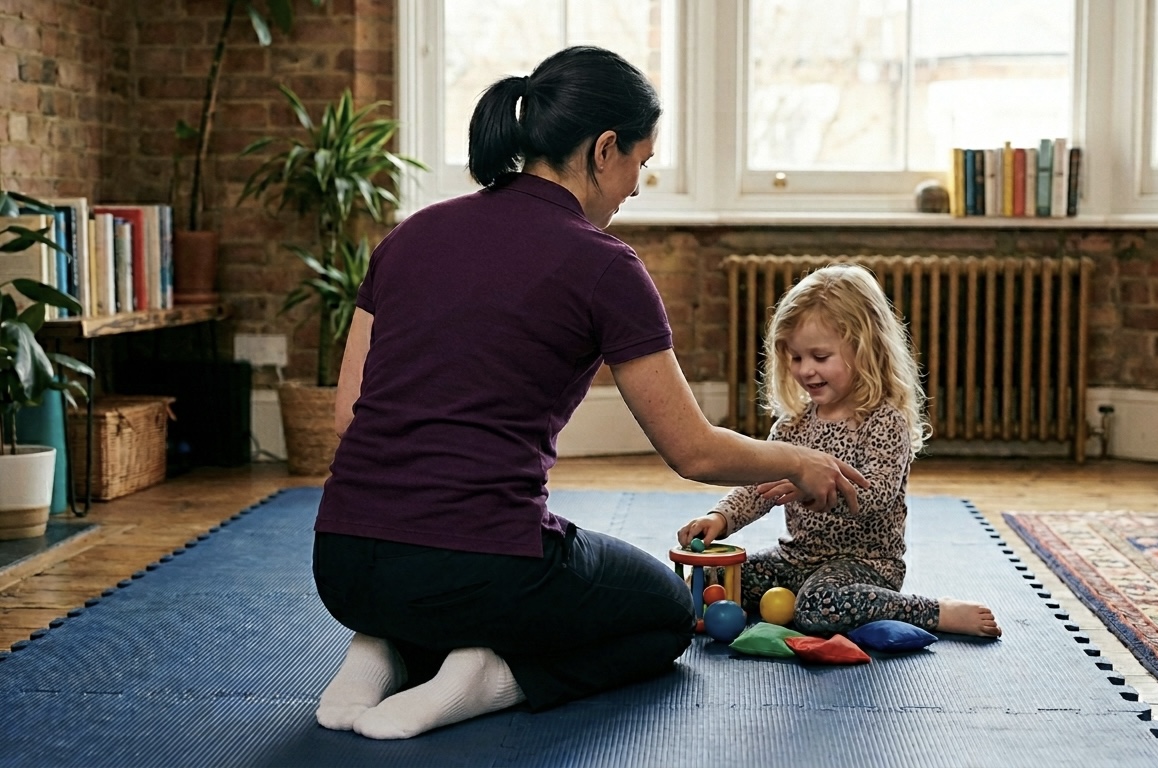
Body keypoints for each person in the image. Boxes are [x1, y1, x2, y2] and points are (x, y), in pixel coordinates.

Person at [311, 45, 870, 741]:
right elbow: (691, 452)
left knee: (435, 577)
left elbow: (347, 416)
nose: (636, 184)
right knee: (662, 614)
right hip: (477, 572)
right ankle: (494, 679)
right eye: (640, 160)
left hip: (340, 567)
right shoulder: (602, 265)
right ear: (604, 149)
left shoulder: (409, 234)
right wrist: (795, 461)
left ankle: (381, 646)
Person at [677, 264, 1002, 639]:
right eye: (796, 358)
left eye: (819, 356)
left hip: (864, 566)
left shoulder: (883, 421)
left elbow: (877, 496)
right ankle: (799, 597)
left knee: (819, 608)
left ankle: (933, 612)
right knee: (715, 581)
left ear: (864, 350)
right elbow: (759, 486)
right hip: (795, 560)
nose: (805, 370)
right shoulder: (793, 424)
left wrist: (812, 486)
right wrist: (720, 518)